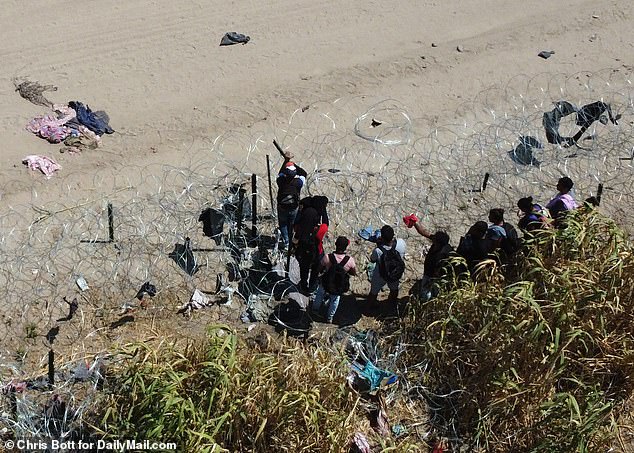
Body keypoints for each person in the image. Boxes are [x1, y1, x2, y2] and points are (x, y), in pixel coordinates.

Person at [404, 215, 454, 300]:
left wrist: (429, 282)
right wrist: (414, 222)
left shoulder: (442, 255)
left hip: (433, 277)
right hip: (428, 273)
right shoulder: (438, 243)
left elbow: (438, 272)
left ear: (439, 243)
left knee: (428, 294)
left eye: (434, 239)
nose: (432, 239)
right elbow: (423, 232)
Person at [312, 236, 357, 323]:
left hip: (326, 282)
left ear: (335, 244)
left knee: (320, 294)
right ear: (346, 247)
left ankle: (315, 310)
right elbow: (354, 272)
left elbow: (319, 269)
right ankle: (329, 317)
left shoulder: (327, 257)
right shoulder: (350, 260)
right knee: (335, 300)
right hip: (339, 285)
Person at [292, 204, 328, 294]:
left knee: (304, 270)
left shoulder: (299, 227)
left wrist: (300, 211)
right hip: (317, 254)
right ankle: (312, 287)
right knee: (315, 271)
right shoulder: (320, 229)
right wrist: (323, 211)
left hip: (302, 253)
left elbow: (295, 240)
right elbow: (326, 222)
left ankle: (303, 286)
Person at [368, 225, 406, 306]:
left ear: (382, 237)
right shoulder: (401, 242)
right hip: (395, 272)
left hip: (381, 274)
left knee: (374, 291)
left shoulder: (378, 251)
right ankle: (391, 302)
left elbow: (372, 260)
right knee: (394, 289)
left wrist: (379, 245)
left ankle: (371, 306)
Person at [276, 156, 307, 249]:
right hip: (294, 207)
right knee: (292, 224)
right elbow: (304, 173)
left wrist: (286, 161)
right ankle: (292, 240)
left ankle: (286, 242)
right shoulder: (298, 182)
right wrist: (294, 165)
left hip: (282, 207)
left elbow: (280, 173)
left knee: (283, 224)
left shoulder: (280, 181)